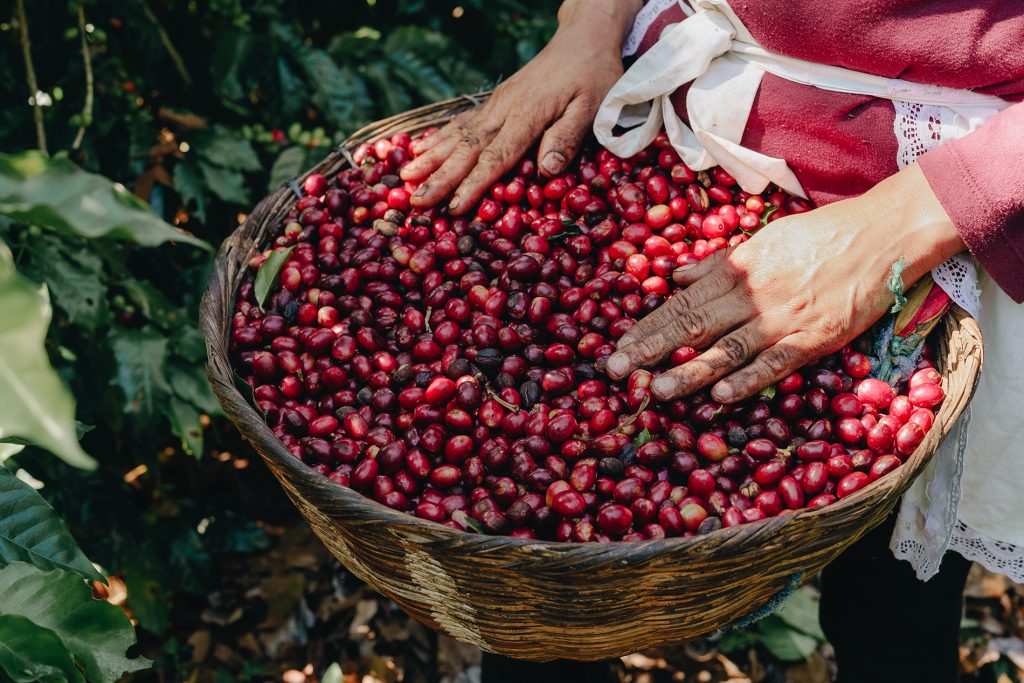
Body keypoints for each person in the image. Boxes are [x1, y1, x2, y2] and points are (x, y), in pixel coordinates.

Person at [401, 1, 1024, 681]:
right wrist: (591, 22)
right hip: (679, 136)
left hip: (935, 208)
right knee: (546, 608)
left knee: (893, 611)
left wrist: (898, 222)